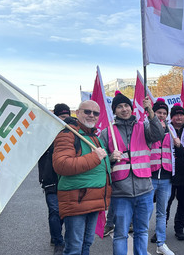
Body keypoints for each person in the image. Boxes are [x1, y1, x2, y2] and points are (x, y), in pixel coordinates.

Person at [99, 91, 164, 255]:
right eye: (119, 106)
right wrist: (110, 158)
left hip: (145, 191)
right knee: (121, 234)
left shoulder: (144, 127)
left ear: (132, 108)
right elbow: (100, 160)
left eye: (126, 105)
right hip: (121, 193)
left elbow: (159, 135)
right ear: (114, 111)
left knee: (141, 232)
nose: (124, 109)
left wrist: (150, 113)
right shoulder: (108, 132)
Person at [52, 100, 111, 255]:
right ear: (77, 113)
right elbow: (62, 165)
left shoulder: (92, 135)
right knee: (74, 248)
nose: (91, 115)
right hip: (77, 201)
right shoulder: (67, 133)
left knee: (86, 244)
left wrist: (109, 158)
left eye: (95, 113)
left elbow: (97, 163)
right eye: (87, 111)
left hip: (92, 200)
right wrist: (95, 158)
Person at [38, 103, 70, 254]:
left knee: (65, 212)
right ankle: (58, 241)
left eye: (67, 117)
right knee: (55, 211)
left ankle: (56, 233)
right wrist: (43, 177)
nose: (66, 120)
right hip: (50, 179)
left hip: (68, 180)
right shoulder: (45, 135)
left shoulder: (72, 134)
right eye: (63, 117)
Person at [148, 98, 175, 255]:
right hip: (149, 176)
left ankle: (161, 244)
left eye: (165, 113)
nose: (162, 115)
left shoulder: (171, 130)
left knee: (162, 212)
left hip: (166, 177)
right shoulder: (147, 127)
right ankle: (141, 245)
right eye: (159, 112)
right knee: (145, 212)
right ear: (153, 112)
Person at [166, 104, 184, 241]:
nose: (179, 117)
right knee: (166, 202)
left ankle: (179, 228)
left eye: (181, 115)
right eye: (176, 115)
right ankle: (161, 229)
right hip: (169, 170)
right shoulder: (166, 129)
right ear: (171, 117)